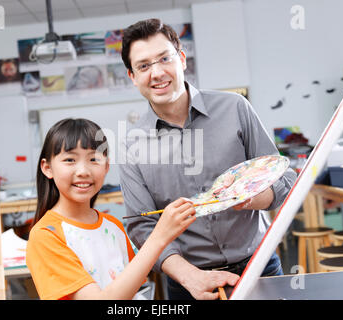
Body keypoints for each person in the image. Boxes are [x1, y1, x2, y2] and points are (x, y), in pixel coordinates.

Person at [118, 19, 297, 300]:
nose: (157, 72)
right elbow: (140, 225)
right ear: (132, 76)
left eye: (165, 58)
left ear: (182, 59)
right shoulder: (130, 146)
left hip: (260, 267)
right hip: (187, 282)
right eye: (143, 66)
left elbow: (285, 178)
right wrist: (189, 276)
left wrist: (253, 197)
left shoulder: (236, 108)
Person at [25, 118, 233, 300]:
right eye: (70, 160)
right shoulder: (45, 236)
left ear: (106, 167)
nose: (83, 171)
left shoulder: (113, 226)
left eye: (93, 159)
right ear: (47, 168)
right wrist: (159, 236)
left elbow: (131, 290)